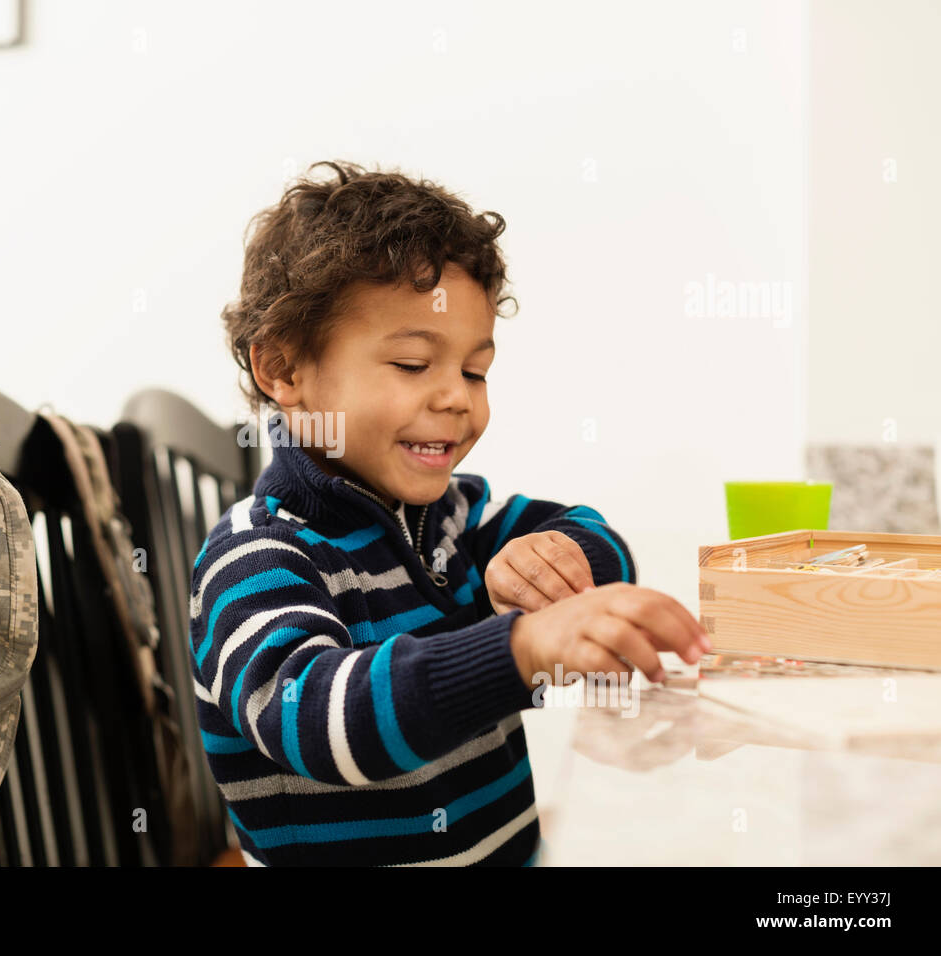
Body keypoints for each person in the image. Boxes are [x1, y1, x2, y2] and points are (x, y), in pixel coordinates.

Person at [190, 159, 709, 866]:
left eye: (474, 370)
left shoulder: (462, 516)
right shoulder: (256, 556)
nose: (458, 398)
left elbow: (599, 541)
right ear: (284, 370)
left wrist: (561, 561)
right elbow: (320, 722)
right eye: (411, 365)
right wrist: (522, 648)